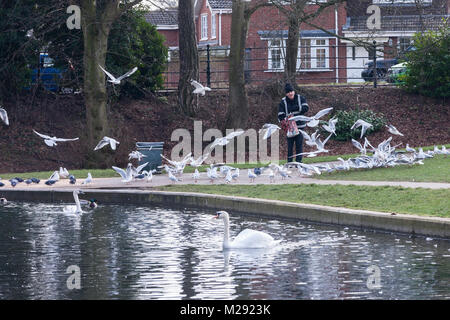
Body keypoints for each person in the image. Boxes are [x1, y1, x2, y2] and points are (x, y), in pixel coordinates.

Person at [278, 83, 309, 163]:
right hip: (289, 127)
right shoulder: (283, 102)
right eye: (288, 92)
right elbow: (280, 115)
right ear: (286, 93)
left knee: (299, 145)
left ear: (294, 91)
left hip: (300, 126)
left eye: (291, 91)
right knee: (290, 145)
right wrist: (285, 120)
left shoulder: (300, 98)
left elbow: (306, 108)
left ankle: (299, 162)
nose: (290, 93)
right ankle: (290, 162)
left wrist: (294, 109)